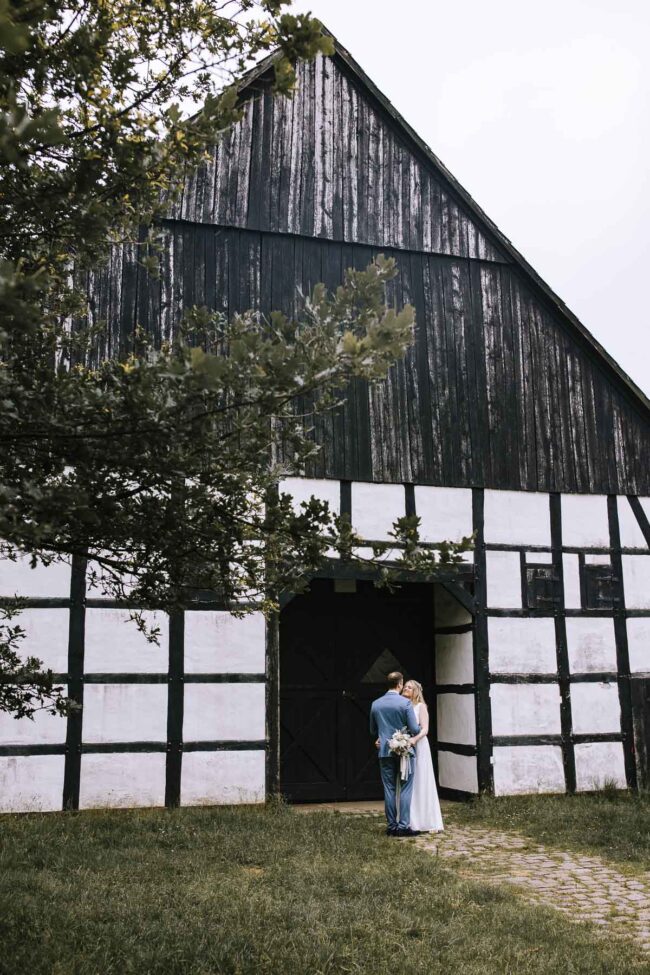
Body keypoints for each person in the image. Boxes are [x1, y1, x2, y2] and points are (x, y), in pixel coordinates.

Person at [369, 670, 421, 837]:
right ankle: (403, 826)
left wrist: (381, 737)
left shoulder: (376, 704)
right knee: (406, 788)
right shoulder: (405, 704)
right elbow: (414, 729)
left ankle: (391, 826)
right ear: (400, 684)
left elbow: (372, 730)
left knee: (389, 788)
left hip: (385, 750)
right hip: (404, 751)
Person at [401, 679, 444, 832]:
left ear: (416, 691)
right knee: (408, 779)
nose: (406, 688)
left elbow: (425, 729)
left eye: (409, 687)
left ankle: (426, 820)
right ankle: (411, 819)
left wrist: (414, 739)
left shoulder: (421, 707)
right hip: (406, 744)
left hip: (419, 744)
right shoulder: (402, 706)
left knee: (421, 778)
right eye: (405, 686)